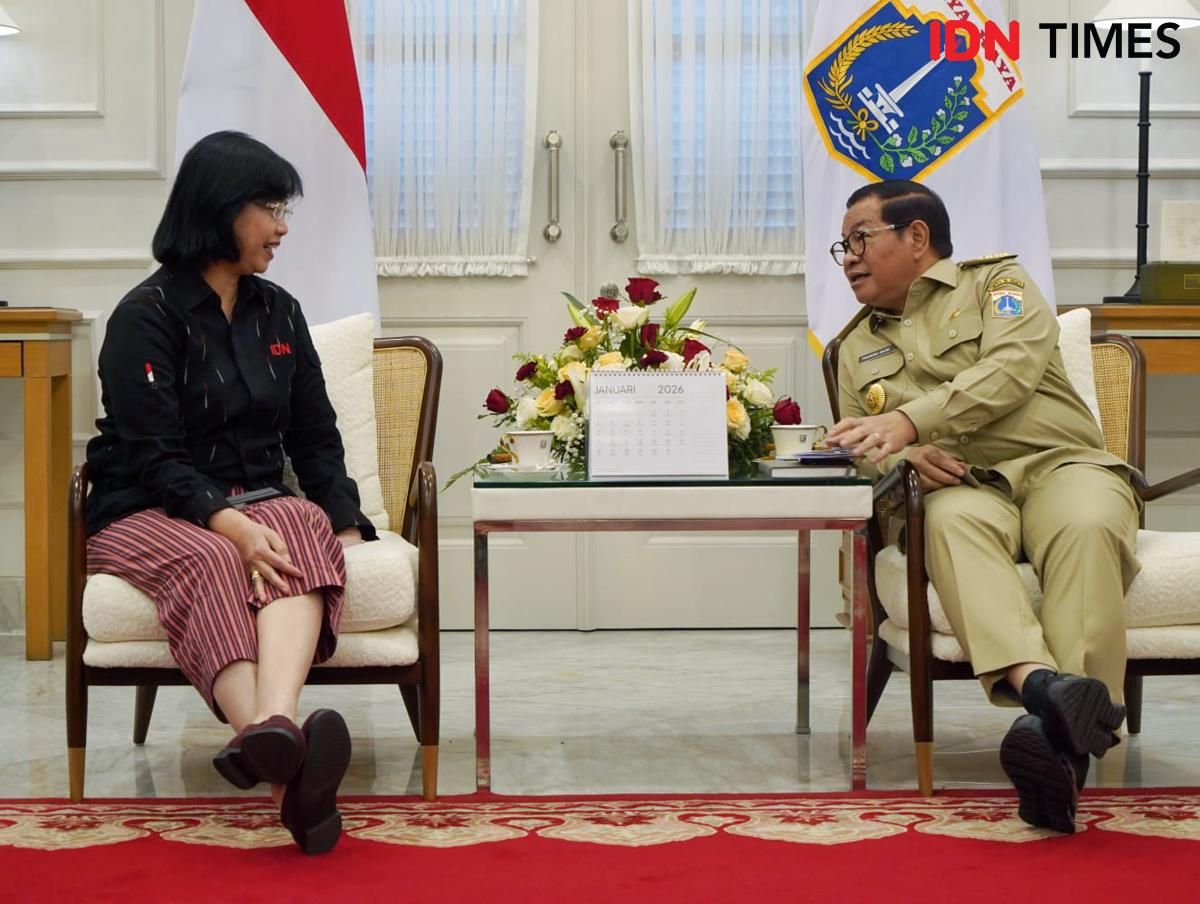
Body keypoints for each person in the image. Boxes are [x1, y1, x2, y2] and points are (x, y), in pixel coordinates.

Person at [85, 130, 376, 855]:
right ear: (221, 209)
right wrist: (228, 524)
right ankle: (285, 769)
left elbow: (314, 433)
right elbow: (154, 456)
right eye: (270, 209)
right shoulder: (144, 316)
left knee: (301, 521)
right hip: (143, 504)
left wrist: (340, 519)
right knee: (214, 557)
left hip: (251, 496)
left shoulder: (279, 311)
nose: (282, 228)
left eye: (284, 211)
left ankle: (273, 726)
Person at [825, 180, 1140, 834]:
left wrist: (910, 421)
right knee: (946, 523)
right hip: (961, 487)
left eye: (861, 238)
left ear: (916, 236)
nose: (848, 257)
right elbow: (863, 450)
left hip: (1061, 464)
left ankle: (1060, 745)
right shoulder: (853, 348)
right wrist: (902, 457)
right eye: (843, 245)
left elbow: (1011, 369)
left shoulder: (997, 284)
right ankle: (1045, 691)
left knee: (1086, 525)